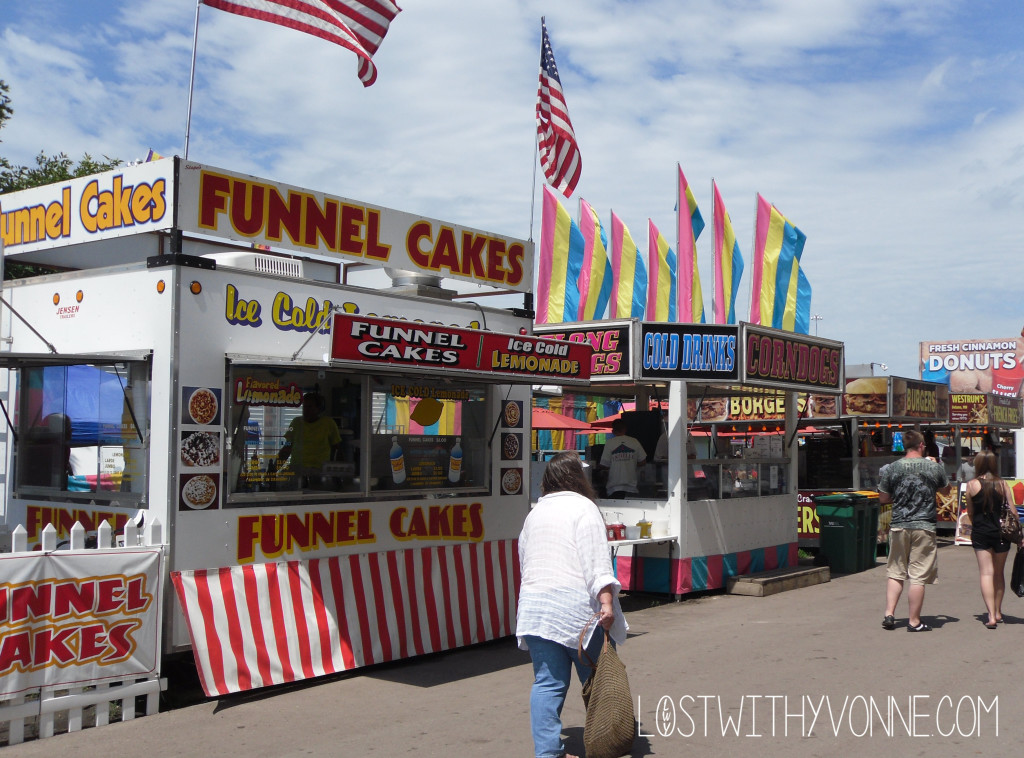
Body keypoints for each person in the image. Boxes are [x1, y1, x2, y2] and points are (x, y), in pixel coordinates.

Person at [517, 452, 627, 758]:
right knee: (598, 682)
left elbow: (525, 559)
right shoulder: (584, 508)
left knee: (547, 684)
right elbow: (596, 561)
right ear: (577, 478)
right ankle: (604, 744)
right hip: (577, 611)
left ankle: (548, 753)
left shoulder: (535, 513)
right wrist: (606, 601)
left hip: (536, 609)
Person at [879, 428, 951, 632]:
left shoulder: (892, 468)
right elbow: (946, 491)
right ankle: (913, 621)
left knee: (895, 571)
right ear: (922, 446)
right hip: (924, 527)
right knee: (918, 576)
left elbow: (883, 498)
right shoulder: (932, 467)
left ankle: (889, 614)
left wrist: (900, 498)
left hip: (899, 525)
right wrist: (938, 467)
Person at [965, 450, 1017, 628]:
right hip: (1001, 533)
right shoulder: (1002, 484)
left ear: (978, 464)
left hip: (980, 532)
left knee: (986, 573)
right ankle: (998, 611)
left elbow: (970, 512)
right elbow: (1014, 512)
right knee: (999, 573)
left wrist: (977, 523)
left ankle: (990, 616)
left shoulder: (971, 485)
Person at [277, 392, 341, 488]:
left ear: (318, 409)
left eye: (310, 407)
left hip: (318, 471)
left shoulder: (328, 424)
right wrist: (273, 470)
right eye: (304, 407)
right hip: (296, 470)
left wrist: (339, 476)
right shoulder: (296, 423)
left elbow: (337, 450)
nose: (306, 410)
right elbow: (287, 448)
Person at [598, 419, 647, 498]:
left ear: (613, 431)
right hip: (631, 486)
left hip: (614, 487)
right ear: (625, 429)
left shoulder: (609, 443)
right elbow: (643, 461)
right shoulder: (634, 441)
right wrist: (631, 463)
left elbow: (605, 465)